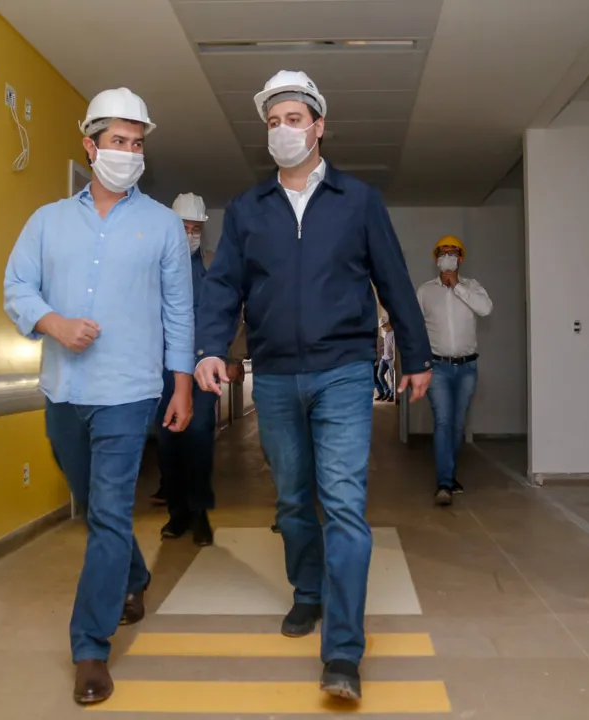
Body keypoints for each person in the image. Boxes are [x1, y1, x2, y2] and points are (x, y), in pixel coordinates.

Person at [193, 70, 432, 701]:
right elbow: (223, 287)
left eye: (294, 119)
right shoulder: (248, 210)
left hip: (344, 371)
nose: (283, 131)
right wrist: (210, 348)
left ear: (319, 126)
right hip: (273, 375)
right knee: (294, 501)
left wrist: (417, 355)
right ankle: (307, 590)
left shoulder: (358, 201)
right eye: (273, 122)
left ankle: (344, 651)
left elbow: (394, 278)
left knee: (344, 504)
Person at [3, 87, 194, 706]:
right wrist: (52, 323)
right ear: (90, 146)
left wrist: (182, 385)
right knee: (93, 505)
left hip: (128, 392)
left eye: (137, 144)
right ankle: (133, 573)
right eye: (118, 141)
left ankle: (90, 648)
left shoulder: (162, 225)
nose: (128, 153)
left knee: (109, 512)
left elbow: (178, 311)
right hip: (64, 390)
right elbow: (16, 286)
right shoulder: (48, 221)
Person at [154, 193, 218, 546]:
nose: (190, 235)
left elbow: (229, 311)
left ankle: (199, 513)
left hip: (201, 367)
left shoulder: (212, 264)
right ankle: (177, 513)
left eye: (196, 229)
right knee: (169, 439)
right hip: (163, 367)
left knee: (200, 436)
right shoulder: (155, 263)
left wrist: (229, 357)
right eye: (184, 228)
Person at [416, 235, 493, 506]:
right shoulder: (425, 291)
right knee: (443, 421)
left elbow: (485, 309)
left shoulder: (472, 287)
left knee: (458, 425)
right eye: (443, 252)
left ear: (460, 258)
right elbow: (414, 322)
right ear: (436, 258)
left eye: (453, 253)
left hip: (467, 368)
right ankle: (444, 483)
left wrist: (457, 286)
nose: (447, 257)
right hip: (437, 367)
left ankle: (449, 474)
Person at [375, 316, 395, 402]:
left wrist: (394, 360)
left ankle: (392, 395)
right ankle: (387, 391)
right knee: (379, 375)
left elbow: (394, 348)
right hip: (384, 358)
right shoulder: (387, 333)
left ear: (388, 324)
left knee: (392, 378)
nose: (383, 328)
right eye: (382, 327)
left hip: (391, 359)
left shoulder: (394, 334)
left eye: (384, 326)